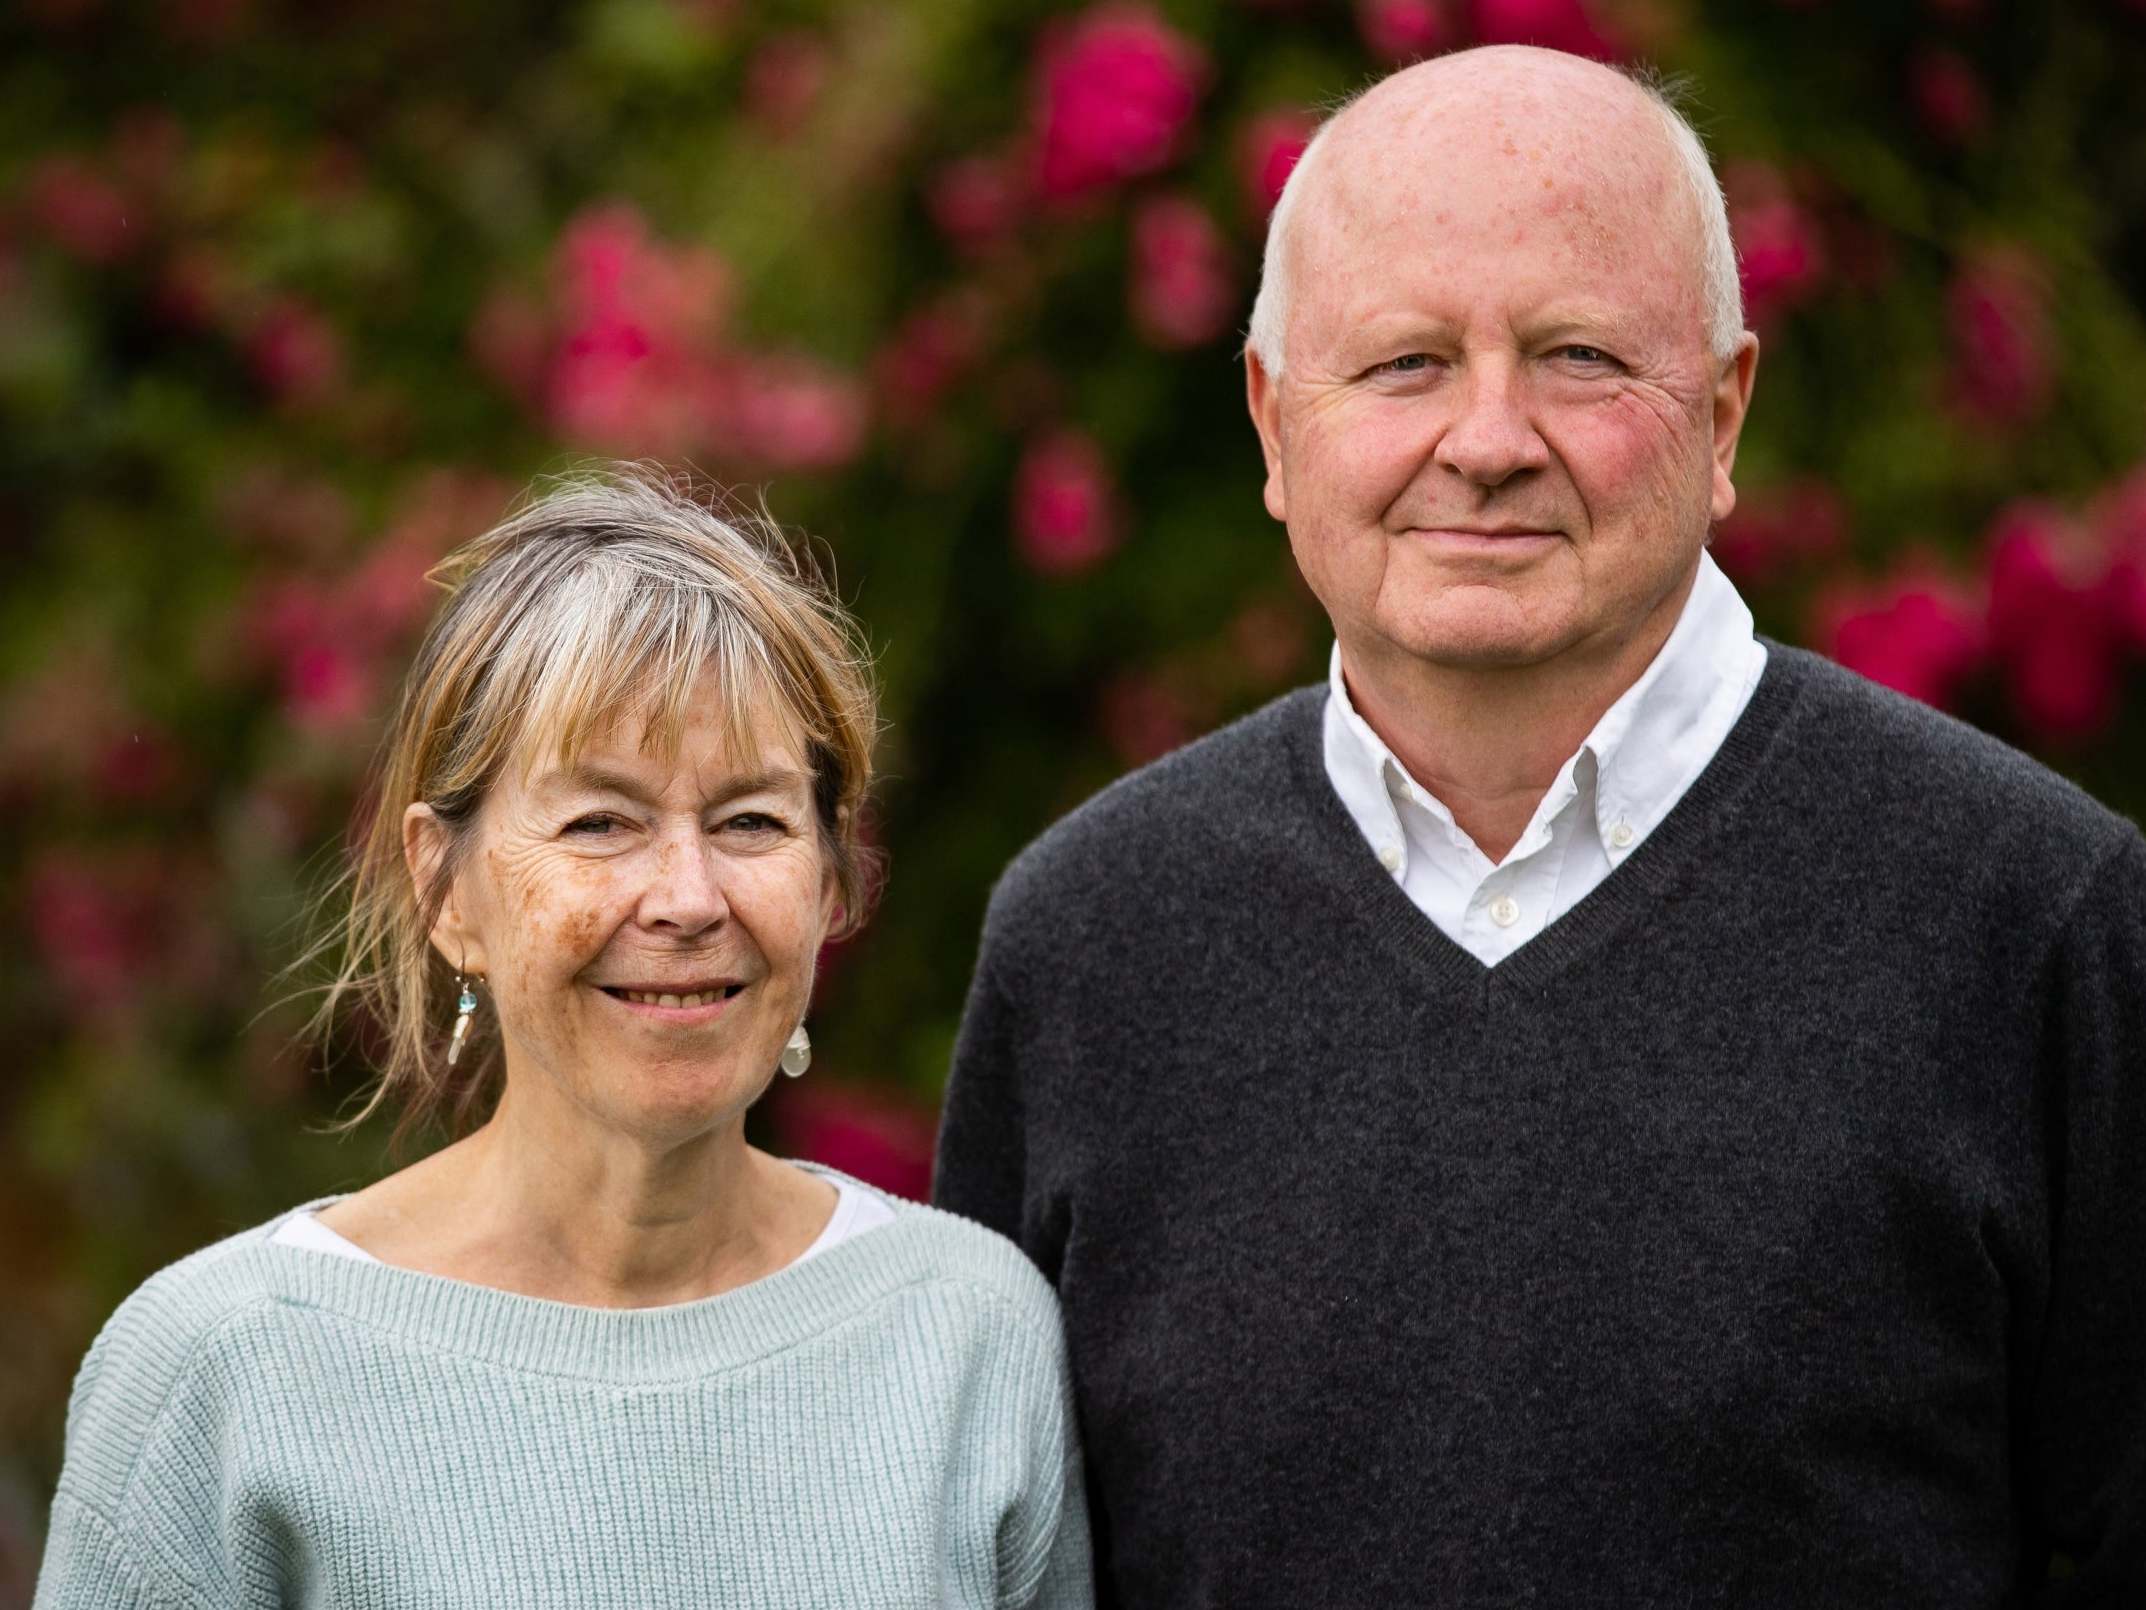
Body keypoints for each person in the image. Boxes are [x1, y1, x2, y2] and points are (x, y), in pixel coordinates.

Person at [934, 44, 2146, 1607]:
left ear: (1721, 416)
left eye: (1576, 358)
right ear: (1270, 422)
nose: (1489, 439)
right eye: (1402, 364)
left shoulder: (2032, 914)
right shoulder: (1090, 942)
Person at [37, 468, 1092, 1609]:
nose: (688, 896)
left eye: (751, 820)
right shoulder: (218, 1373)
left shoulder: (971, 1337)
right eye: (601, 821)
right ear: (445, 888)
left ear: (831, 879)